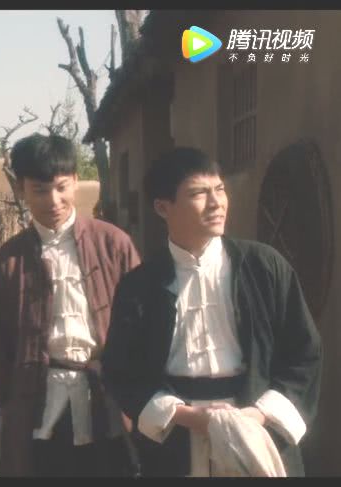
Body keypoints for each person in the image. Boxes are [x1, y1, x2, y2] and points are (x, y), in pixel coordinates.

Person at [101, 147, 322, 476]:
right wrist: (186, 416)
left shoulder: (264, 267)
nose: (216, 202)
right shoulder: (140, 285)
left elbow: (303, 355)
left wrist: (257, 416)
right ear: (163, 207)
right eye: (198, 193)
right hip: (177, 436)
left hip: (257, 428)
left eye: (219, 189)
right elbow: (122, 371)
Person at [0, 133, 140, 476]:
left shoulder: (114, 244)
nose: (54, 200)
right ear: (21, 189)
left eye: (62, 187)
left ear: (76, 181)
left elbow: (143, 325)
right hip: (36, 399)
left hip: (106, 397)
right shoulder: (8, 260)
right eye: (40, 190)